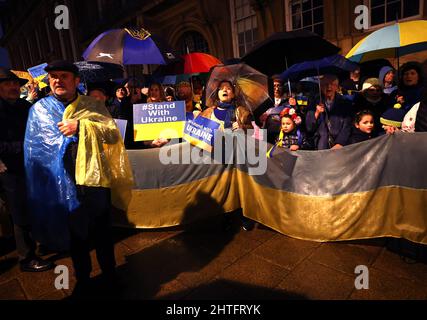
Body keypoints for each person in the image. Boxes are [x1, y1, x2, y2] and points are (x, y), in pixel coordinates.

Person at [24, 60, 133, 292]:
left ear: (76, 81)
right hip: (63, 183)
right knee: (76, 237)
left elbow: (112, 135)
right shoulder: (39, 110)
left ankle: (110, 274)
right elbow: (35, 151)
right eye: (53, 76)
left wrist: (81, 126)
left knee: (103, 232)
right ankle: (83, 280)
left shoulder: (92, 105)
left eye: (64, 76)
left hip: (95, 180)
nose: (57, 80)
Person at [0, 67, 54, 272]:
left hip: (32, 165)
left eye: (15, 83)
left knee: (35, 205)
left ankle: (40, 242)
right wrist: (23, 145)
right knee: (19, 212)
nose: (13, 87)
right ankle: (26, 257)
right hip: (9, 170)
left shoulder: (24, 106)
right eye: (7, 84)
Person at [305, 74, 353, 150]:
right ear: (320, 87)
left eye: (332, 84)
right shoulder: (313, 102)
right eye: (325, 84)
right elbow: (309, 128)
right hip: (320, 146)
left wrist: (340, 143)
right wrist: (316, 113)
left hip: (339, 147)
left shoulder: (345, 103)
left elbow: (347, 126)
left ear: (337, 87)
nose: (329, 87)